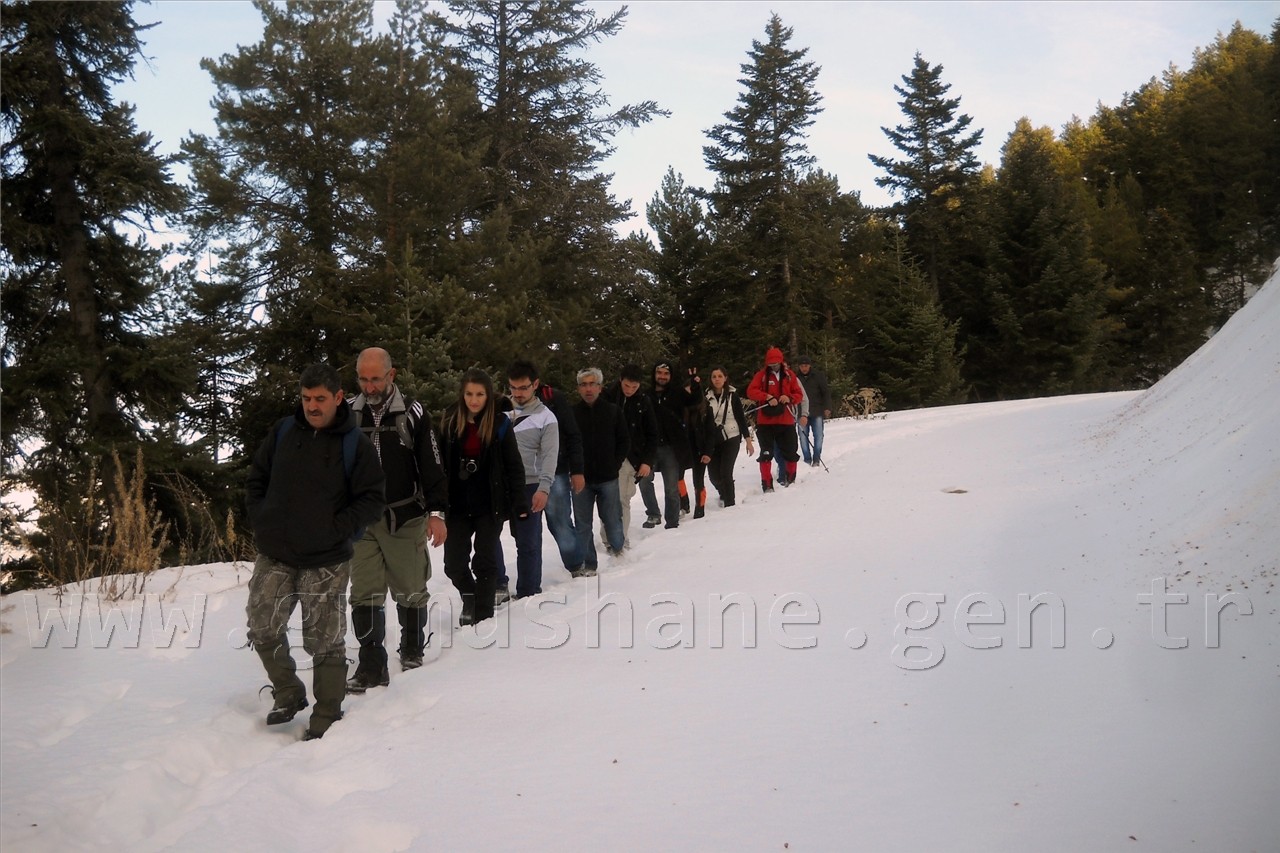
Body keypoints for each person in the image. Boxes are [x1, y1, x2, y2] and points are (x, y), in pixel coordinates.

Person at [245, 363, 385, 741]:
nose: (312, 406)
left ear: (338, 398)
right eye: (306, 398)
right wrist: (263, 518)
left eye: (320, 399)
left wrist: (338, 529)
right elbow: (257, 478)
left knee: (324, 639)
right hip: (276, 551)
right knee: (261, 624)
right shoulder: (284, 431)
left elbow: (372, 498)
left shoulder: (354, 444)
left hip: (326, 558)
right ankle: (288, 691)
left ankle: (326, 713)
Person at [345, 348, 448, 694]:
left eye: (376, 378)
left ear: (392, 375)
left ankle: (413, 649)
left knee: (410, 589)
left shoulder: (414, 414)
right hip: (362, 521)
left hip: (405, 517)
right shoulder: (347, 414)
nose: (369, 386)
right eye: (363, 378)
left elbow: (431, 463)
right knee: (364, 594)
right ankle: (371, 666)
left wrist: (437, 514)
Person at [438, 369, 528, 625]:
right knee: (453, 564)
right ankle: (471, 599)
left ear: (488, 395)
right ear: (462, 394)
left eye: (479, 394)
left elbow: (513, 465)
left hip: (489, 504)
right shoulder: (449, 420)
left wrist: (519, 500)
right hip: (456, 504)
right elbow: (438, 464)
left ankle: (483, 616)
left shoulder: (499, 424)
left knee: (486, 562)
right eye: (469, 394)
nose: (474, 400)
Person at [496, 360, 559, 599]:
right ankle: (498, 584)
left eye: (523, 388)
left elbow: (550, 456)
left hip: (530, 485)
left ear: (535, 385)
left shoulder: (546, 417)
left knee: (528, 542)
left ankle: (529, 591)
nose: (518, 393)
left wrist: (544, 488)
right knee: (489, 536)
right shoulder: (500, 413)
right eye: (513, 388)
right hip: (499, 484)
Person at [570, 367, 629, 573]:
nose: (588, 389)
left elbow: (623, 441)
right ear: (578, 388)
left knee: (612, 520)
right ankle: (589, 564)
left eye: (592, 384)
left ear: (600, 387)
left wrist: (615, 464)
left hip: (608, 477)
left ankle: (619, 550)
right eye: (584, 384)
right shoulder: (572, 414)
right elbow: (566, 444)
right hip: (581, 480)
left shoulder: (613, 411)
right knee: (583, 524)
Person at [639, 360, 701, 529]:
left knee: (671, 488)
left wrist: (695, 384)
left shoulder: (677, 392)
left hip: (671, 447)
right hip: (650, 448)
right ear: (654, 374)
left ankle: (672, 521)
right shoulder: (645, 395)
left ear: (671, 376)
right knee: (644, 482)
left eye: (666, 374)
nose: (662, 377)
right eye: (659, 373)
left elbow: (694, 400)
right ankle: (653, 514)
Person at [601, 364, 657, 547]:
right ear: (620, 380)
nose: (630, 390)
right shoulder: (607, 397)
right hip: (608, 456)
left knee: (623, 498)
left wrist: (647, 461)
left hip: (632, 457)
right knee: (608, 498)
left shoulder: (643, 401)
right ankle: (609, 538)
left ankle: (619, 539)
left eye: (634, 387)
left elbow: (652, 434)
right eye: (627, 386)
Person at [535, 378, 587, 575]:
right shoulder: (511, 404)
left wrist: (577, 470)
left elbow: (572, 434)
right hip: (526, 474)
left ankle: (576, 566)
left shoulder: (553, 398)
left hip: (556, 469)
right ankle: (530, 579)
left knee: (560, 521)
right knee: (529, 530)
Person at [747, 347, 806, 492]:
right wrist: (766, 396)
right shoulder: (761, 376)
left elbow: (799, 395)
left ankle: (790, 480)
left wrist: (789, 398)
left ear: (781, 361)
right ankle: (767, 484)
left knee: (791, 452)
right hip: (765, 422)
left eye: (776, 363)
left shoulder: (790, 375)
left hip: (786, 420)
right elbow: (751, 391)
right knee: (766, 454)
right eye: (771, 363)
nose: (773, 366)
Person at [702, 366, 755, 508]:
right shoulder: (706, 397)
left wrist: (748, 441)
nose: (717, 379)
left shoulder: (733, 396)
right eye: (714, 376)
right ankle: (723, 492)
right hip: (713, 439)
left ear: (725, 378)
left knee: (726, 472)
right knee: (714, 476)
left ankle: (730, 504)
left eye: (720, 376)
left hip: (731, 436)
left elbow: (741, 419)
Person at [796, 355, 832, 467]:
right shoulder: (796, 378)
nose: (804, 368)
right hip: (801, 413)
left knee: (819, 436)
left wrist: (827, 407)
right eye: (801, 366)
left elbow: (826, 392)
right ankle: (807, 459)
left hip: (817, 411)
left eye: (806, 365)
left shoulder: (818, 376)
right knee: (803, 437)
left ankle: (816, 458)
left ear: (809, 365)